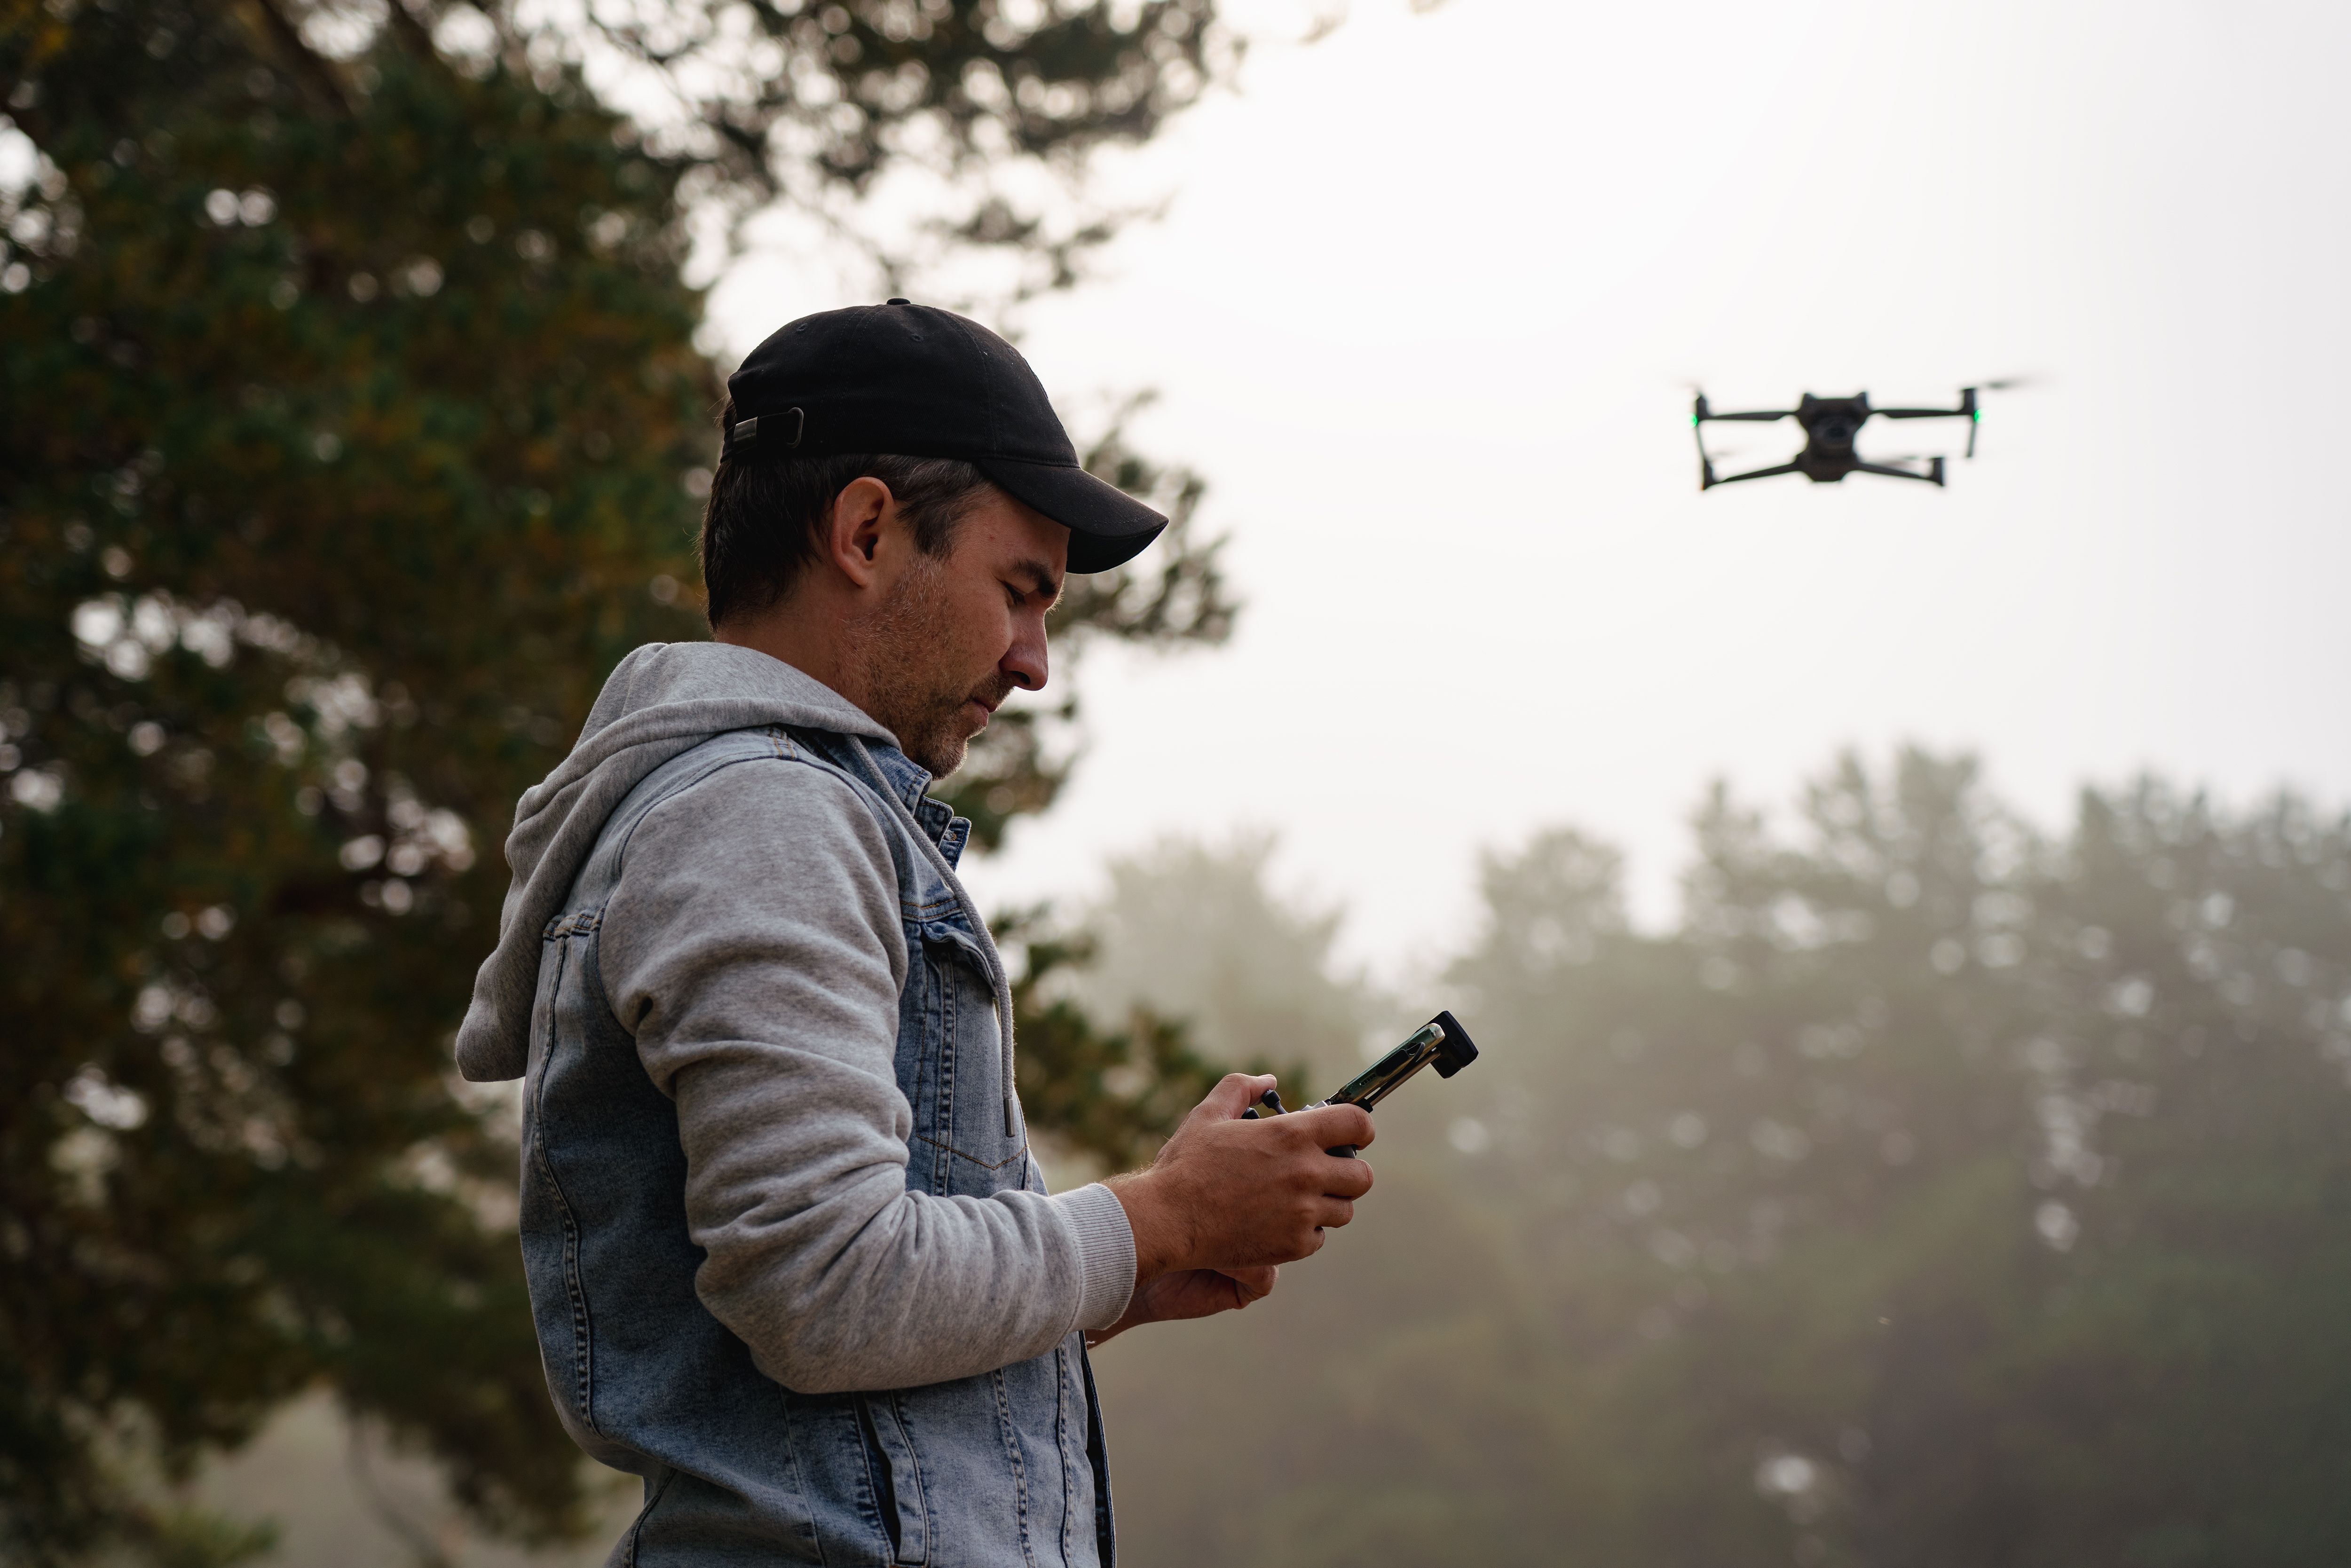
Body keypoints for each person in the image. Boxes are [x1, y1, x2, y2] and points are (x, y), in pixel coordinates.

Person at [454, 301, 1377, 1567]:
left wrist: (1118, 1277)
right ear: (868, 532)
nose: (1035, 663)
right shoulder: (763, 816)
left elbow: (810, 1355)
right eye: (1021, 591)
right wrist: (1152, 1218)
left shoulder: (765, 813)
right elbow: (827, 1288)